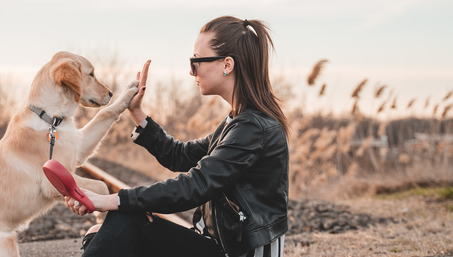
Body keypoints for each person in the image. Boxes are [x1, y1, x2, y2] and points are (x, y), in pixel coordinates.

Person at [65, 15, 290, 257]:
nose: (191, 71)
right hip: (220, 246)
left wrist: (111, 200)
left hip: (239, 252)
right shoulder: (237, 122)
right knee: (102, 233)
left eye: (196, 62)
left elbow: (196, 185)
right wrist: (137, 111)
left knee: (126, 220)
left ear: (227, 65)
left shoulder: (254, 128)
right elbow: (180, 156)